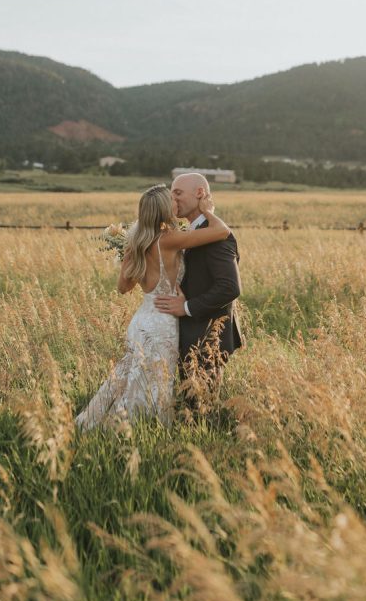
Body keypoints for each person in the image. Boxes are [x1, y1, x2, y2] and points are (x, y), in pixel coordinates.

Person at [75, 183, 231, 429]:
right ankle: (140, 427)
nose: (176, 204)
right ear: (162, 208)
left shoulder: (135, 242)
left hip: (142, 319)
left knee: (131, 377)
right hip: (163, 321)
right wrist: (206, 209)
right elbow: (222, 231)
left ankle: (109, 423)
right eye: (172, 200)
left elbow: (123, 287)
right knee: (157, 382)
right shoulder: (169, 240)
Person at [154, 173, 242, 408]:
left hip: (207, 335)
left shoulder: (217, 237)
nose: (173, 198)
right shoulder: (193, 232)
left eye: (178, 192)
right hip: (192, 333)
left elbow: (229, 287)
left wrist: (186, 307)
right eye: (172, 193)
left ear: (200, 193)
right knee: (192, 404)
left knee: (201, 407)